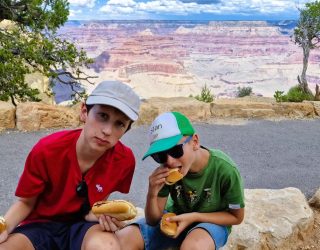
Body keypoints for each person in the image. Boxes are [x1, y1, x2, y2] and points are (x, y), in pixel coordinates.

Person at [0, 80, 141, 250]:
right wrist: (4, 228)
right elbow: (26, 203)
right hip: (41, 226)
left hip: (84, 226)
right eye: (102, 116)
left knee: (107, 246)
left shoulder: (124, 160)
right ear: (84, 112)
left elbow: (100, 198)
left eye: (119, 124)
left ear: (126, 130)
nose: (107, 131)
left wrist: (97, 216)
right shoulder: (47, 150)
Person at [117, 111, 245, 250]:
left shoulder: (224, 170)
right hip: (175, 217)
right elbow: (153, 220)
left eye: (175, 150)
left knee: (193, 246)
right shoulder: (167, 171)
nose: (170, 161)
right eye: (160, 155)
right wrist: (152, 193)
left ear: (195, 142)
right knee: (124, 238)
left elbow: (236, 217)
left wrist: (194, 217)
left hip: (212, 222)